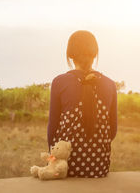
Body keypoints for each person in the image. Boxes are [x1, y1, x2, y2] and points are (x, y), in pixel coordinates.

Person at [47, 30, 117, 178]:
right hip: (99, 167)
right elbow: (113, 131)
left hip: (64, 167)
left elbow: (52, 131)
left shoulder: (59, 82)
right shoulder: (110, 85)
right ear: (95, 54)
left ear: (70, 54)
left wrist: (51, 162)